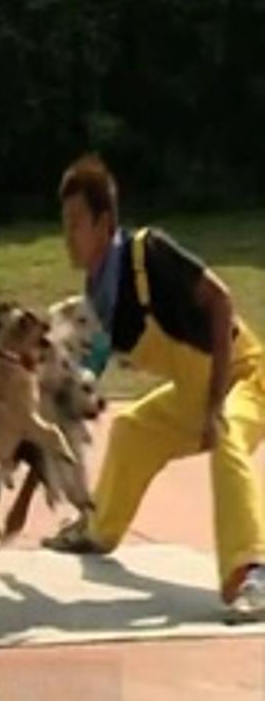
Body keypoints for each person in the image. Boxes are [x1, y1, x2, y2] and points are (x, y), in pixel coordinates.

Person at [44, 153, 265, 619]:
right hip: (193, 392)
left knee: (226, 436)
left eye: (76, 223)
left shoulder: (150, 253)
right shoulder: (97, 300)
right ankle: (98, 529)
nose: (68, 236)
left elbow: (221, 302)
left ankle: (253, 574)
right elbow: (85, 378)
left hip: (246, 376)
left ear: (105, 224)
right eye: (64, 224)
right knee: (132, 432)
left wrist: (214, 404)